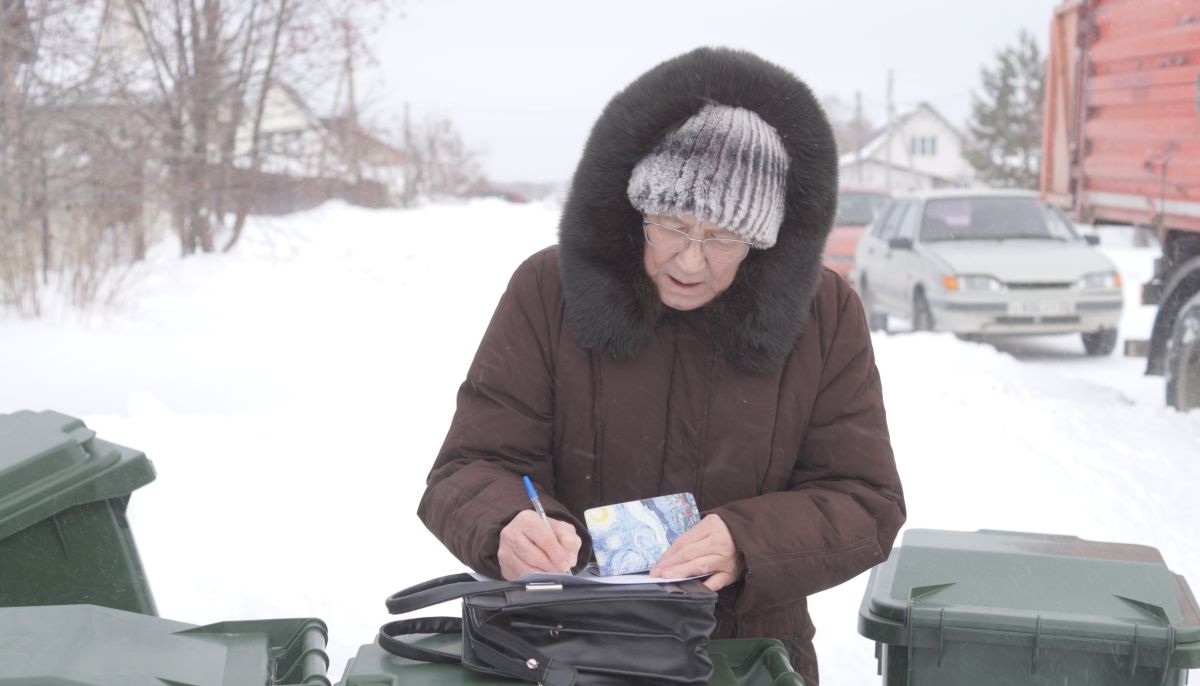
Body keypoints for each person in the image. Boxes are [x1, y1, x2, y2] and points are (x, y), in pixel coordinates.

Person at [418, 47, 906, 685]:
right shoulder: (549, 289)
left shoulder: (824, 314)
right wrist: (510, 524)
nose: (690, 261)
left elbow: (866, 499)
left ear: (763, 240)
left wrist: (747, 542)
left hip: (744, 655)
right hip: (563, 650)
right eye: (671, 225)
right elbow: (468, 467)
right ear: (635, 208)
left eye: (723, 238)